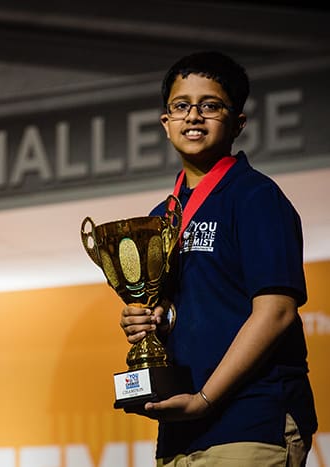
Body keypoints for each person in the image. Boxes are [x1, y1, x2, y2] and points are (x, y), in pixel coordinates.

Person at [119, 50, 318, 466]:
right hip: (179, 433)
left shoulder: (255, 197)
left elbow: (277, 312)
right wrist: (153, 318)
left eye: (210, 105)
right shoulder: (162, 217)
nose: (194, 116)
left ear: (237, 122)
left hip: (250, 422)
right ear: (165, 122)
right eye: (181, 106)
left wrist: (206, 399)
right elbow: (182, 308)